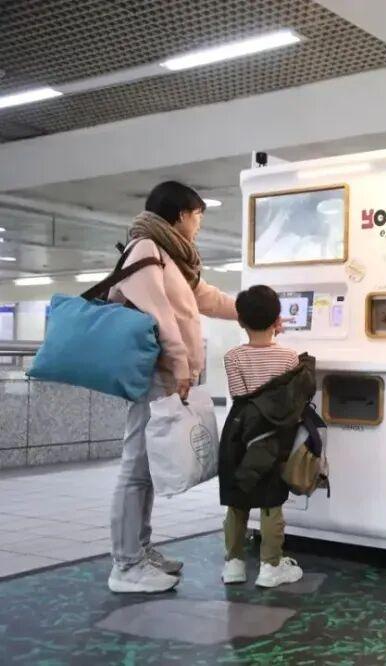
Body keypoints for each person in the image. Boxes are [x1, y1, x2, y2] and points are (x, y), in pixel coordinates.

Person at [107, 181, 238, 594]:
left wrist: (255, 309)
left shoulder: (168, 256)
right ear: (181, 214)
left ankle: (140, 549)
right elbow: (159, 315)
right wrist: (181, 363)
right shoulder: (145, 249)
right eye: (197, 216)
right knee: (135, 468)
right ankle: (126, 565)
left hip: (164, 374)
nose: (199, 224)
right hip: (154, 372)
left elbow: (206, 298)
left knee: (145, 469)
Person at [219, 285, 315, 588]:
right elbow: (287, 399)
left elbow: (240, 395)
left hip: (239, 434)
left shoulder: (232, 356)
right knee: (271, 501)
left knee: (237, 499)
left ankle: (234, 564)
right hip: (273, 436)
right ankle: (270, 567)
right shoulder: (289, 357)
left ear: (240, 321)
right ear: (277, 319)